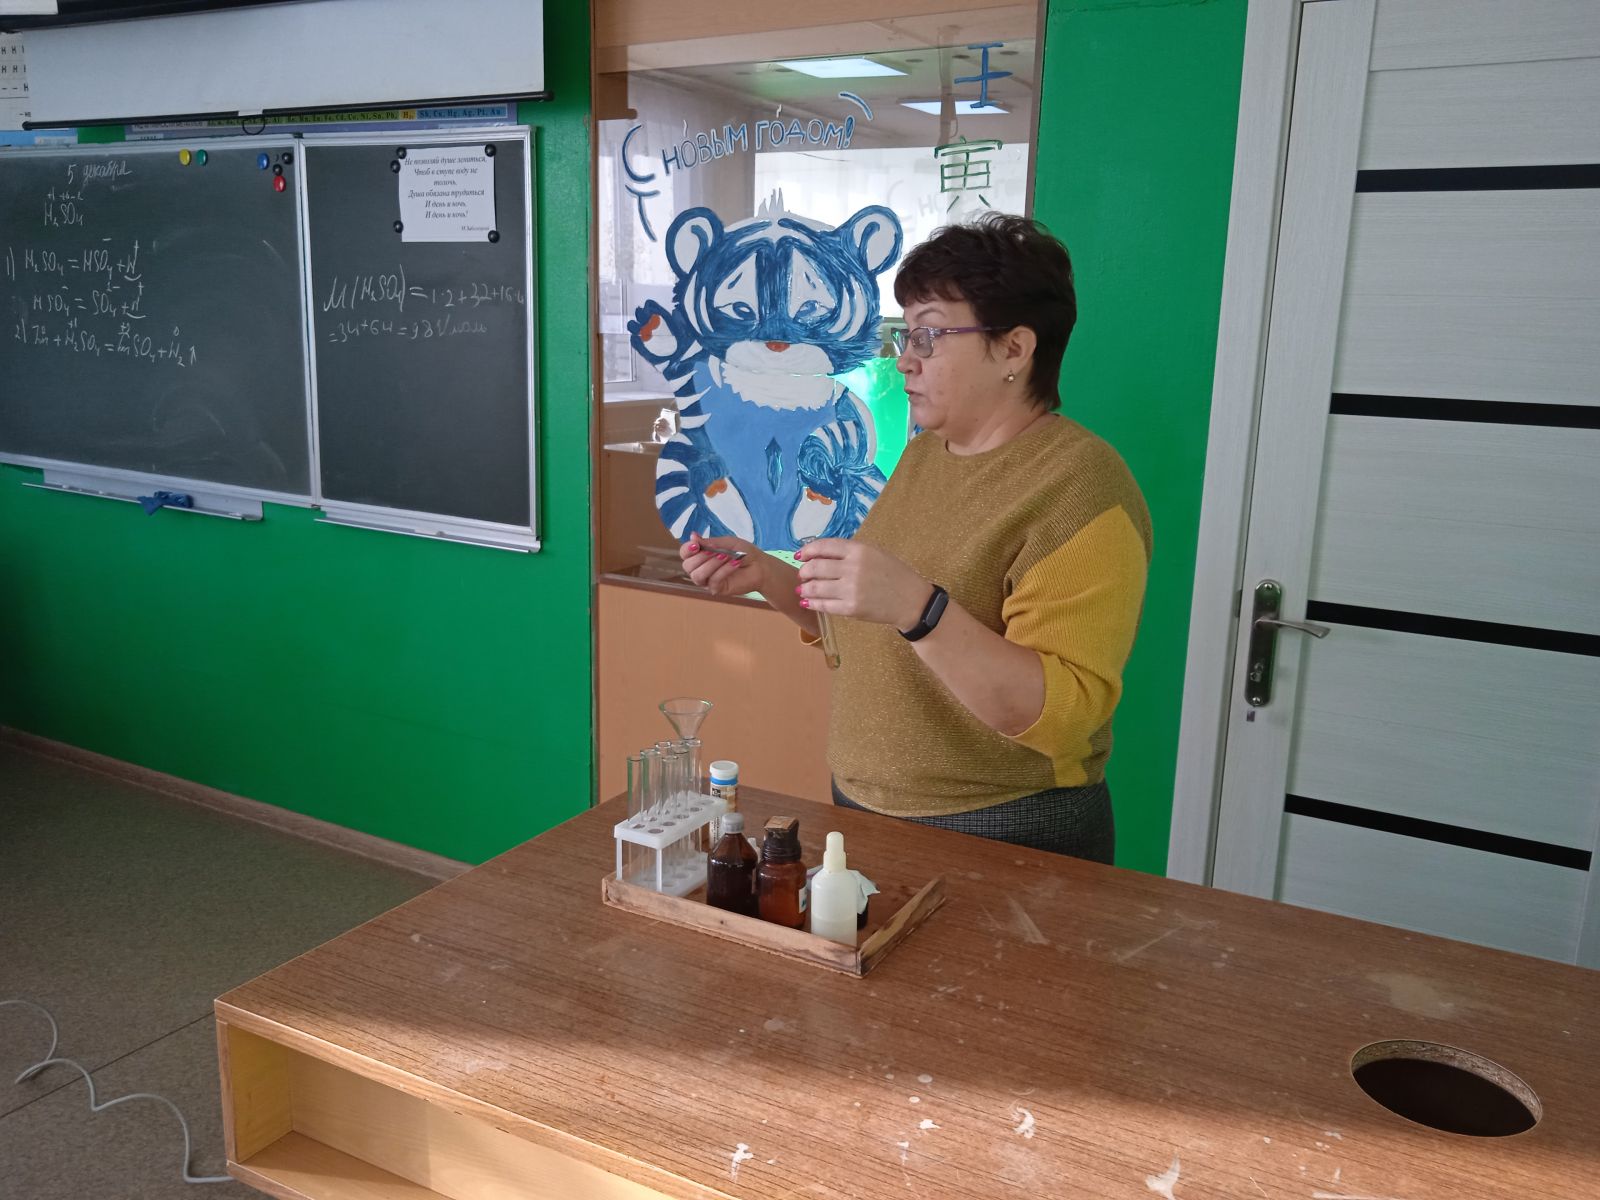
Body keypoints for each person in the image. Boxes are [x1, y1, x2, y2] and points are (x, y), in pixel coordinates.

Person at [679, 213, 1150, 864]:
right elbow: (870, 624)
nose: (905, 359)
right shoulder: (928, 453)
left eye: (930, 335)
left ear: (1015, 349)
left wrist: (919, 607)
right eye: (906, 334)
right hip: (866, 806)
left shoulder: (1080, 488)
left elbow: (1063, 716)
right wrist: (769, 576)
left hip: (1006, 830)